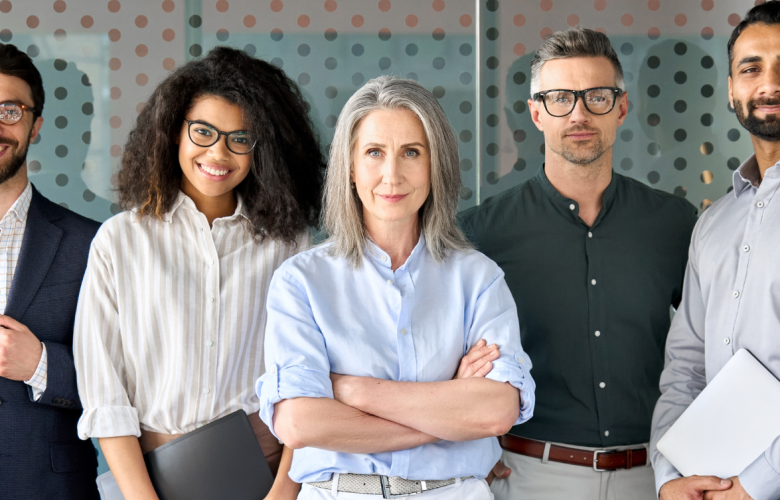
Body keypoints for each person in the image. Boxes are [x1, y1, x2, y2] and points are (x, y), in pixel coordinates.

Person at [256, 75, 535, 500]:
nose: (392, 174)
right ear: (349, 167)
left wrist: (351, 390)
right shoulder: (301, 282)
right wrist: (447, 410)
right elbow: (300, 423)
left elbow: (496, 412)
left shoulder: (479, 279)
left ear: (434, 164)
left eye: (411, 152)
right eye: (374, 152)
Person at [73, 46, 324, 500]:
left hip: (263, 479)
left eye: (239, 138)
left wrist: (284, 494)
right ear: (173, 131)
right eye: (203, 132)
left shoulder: (290, 246)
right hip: (145, 483)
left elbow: (306, 382)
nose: (219, 153)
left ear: (260, 149)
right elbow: (105, 397)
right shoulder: (118, 242)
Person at [458, 28, 698, 500]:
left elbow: (713, 348)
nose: (579, 114)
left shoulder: (675, 224)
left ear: (622, 108)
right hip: (528, 474)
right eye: (561, 98)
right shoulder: (481, 233)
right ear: (536, 113)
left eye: (597, 98)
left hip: (654, 476)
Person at [651, 3, 780, 500]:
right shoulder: (713, 224)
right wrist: (670, 476)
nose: (768, 84)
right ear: (730, 88)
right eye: (751, 68)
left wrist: (754, 485)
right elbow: (684, 368)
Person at [0, 43, 101, 500]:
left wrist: (39, 364)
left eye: (10, 109)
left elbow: (128, 379)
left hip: (48, 489)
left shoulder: (94, 244)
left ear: (35, 124)